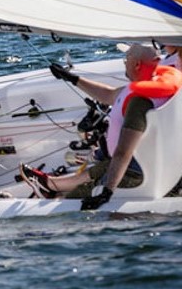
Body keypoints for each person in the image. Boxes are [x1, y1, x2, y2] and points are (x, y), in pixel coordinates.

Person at [22, 44, 179, 210]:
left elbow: (123, 152)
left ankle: (52, 195)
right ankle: (51, 186)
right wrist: (72, 78)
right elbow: (109, 95)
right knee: (102, 167)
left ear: (137, 64)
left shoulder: (139, 103)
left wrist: (107, 192)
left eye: (126, 59)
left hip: (136, 175)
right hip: (146, 165)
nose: (124, 63)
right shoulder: (154, 87)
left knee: (70, 202)